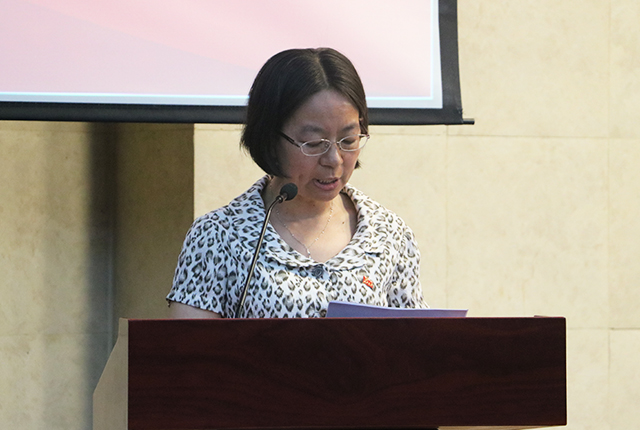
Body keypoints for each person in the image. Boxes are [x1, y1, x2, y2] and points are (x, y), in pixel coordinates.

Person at [167, 47, 426, 318]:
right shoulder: (218, 236)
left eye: (348, 140)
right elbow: (190, 343)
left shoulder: (389, 234)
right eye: (314, 143)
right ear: (270, 138)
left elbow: (416, 339)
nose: (334, 159)